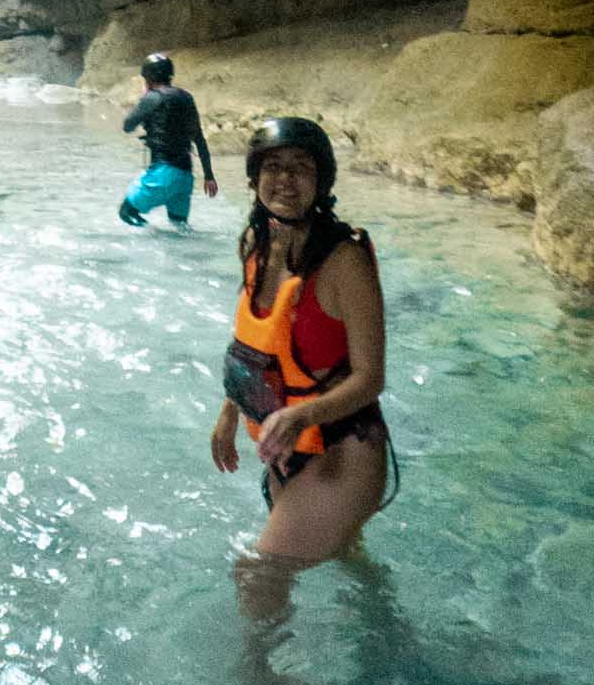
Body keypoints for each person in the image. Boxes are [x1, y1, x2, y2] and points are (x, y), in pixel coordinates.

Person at [211, 115, 394, 566]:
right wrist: (229, 413)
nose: (285, 180)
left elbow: (371, 378)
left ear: (322, 180)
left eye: (300, 167)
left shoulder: (343, 261)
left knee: (257, 573)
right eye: (273, 167)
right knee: (348, 559)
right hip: (287, 445)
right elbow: (256, 344)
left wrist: (299, 416)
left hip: (342, 449)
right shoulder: (256, 242)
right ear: (255, 179)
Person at [119, 52, 217, 228]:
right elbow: (199, 139)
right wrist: (209, 176)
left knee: (127, 212)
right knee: (179, 227)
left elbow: (127, 125)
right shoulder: (187, 98)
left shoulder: (152, 97)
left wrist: (144, 104)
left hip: (162, 174)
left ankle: (152, 241)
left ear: (147, 78)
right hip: (185, 177)